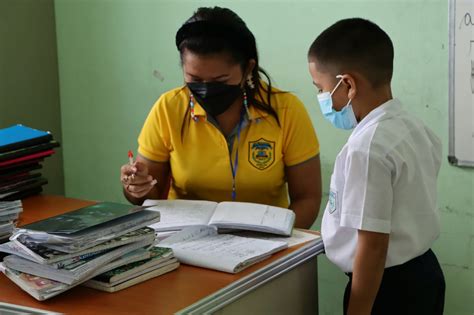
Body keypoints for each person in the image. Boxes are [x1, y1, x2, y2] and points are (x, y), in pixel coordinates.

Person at [120, 7, 322, 228]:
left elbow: (307, 198)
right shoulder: (168, 108)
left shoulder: (286, 110)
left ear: (248, 69)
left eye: (220, 80)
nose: (206, 89)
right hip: (184, 240)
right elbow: (148, 196)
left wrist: (279, 242)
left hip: (268, 242)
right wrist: (136, 186)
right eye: (194, 78)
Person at [307, 18, 445, 314]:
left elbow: (373, 245)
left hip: (386, 288)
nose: (320, 98)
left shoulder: (366, 149)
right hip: (424, 273)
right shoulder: (412, 126)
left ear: (348, 85)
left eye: (320, 88)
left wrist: (358, 309)